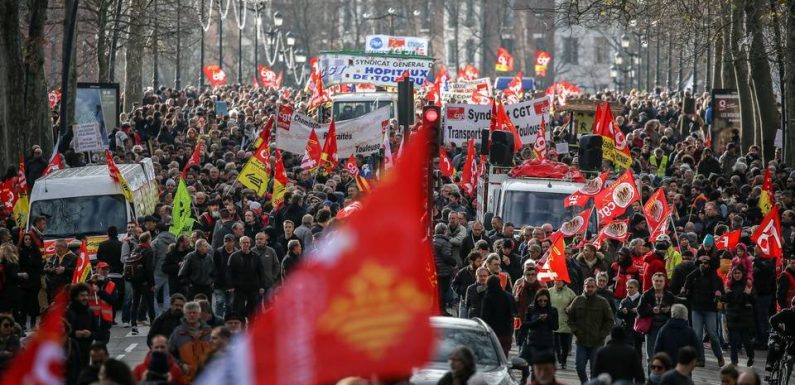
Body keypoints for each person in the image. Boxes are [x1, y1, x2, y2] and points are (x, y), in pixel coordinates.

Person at [566, 277, 614, 384]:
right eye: (588, 286)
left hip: (597, 342)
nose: (590, 289)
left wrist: (602, 334)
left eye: (592, 287)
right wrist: (576, 331)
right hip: (581, 341)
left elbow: (610, 321)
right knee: (579, 367)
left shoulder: (602, 302)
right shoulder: (578, 300)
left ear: (595, 287)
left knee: (594, 369)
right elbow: (569, 318)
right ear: (584, 287)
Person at [683, 254, 726, 367]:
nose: (703, 264)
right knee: (697, 336)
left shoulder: (715, 278)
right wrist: (685, 291)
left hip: (710, 309)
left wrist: (719, 294)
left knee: (713, 335)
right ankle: (700, 359)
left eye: (706, 262)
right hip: (696, 309)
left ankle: (719, 356)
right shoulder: (692, 276)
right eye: (701, 262)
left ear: (710, 264)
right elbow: (686, 291)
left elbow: (722, 294)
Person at [518, 289, 558, 383]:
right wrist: (538, 320)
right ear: (536, 300)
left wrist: (548, 318)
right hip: (534, 342)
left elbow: (556, 327)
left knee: (546, 369)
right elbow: (527, 324)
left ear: (548, 300)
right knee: (535, 368)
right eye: (540, 301)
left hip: (547, 343)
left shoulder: (553, 310)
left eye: (545, 301)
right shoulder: (531, 309)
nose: (543, 303)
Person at [168, 301, 212, 383]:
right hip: (186, 378)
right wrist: (181, 366)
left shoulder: (209, 332)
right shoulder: (177, 333)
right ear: (185, 315)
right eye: (189, 313)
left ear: (199, 314)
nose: (192, 315)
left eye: (194, 313)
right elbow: (169, 354)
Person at [638, 272, 676, 365]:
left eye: (661, 281)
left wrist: (668, 311)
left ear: (664, 282)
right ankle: (651, 373)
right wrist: (651, 311)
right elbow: (640, 311)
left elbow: (675, 312)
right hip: (651, 327)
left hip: (665, 327)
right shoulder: (646, 295)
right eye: (656, 281)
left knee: (664, 354)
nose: (658, 283)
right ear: (652, 281)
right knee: (651, 355)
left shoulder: (669, 295)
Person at [723, 265, 755, 366]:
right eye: (735, 273)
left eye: (738, 273)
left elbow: (754, 300)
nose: (737, 275)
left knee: (746, 340)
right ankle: (734, 361)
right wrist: (726, 294)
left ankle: (750, 356)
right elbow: (726, 300)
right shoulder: (729, 285)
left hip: (744, 316)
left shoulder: (748, 284)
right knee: (734, 340)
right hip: (733, 315)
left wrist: (749, 294)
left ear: (742, 274)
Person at [227, 236, 265, 318]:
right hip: (239, 287)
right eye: (244, 243)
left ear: (250, 244)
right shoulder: (234, 256)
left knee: (252, 310)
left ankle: (251, 324)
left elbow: (261, 272)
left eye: (247, 242)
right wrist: (231, 285)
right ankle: (241, 323)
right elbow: (229, 272)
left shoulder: (255, 257)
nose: (246, 244)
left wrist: (261, 286)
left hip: (253, 287)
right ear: (240, 244)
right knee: (238, 309)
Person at [480, 275, 516, 357]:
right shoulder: (508, 296)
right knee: (504, 355)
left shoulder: (488, 297)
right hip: (506, 332)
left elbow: (485, 316)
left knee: (493, 356)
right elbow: (514, 312)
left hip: (492, 332)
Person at [129, 231, 156, 336]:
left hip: (135, 281)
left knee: (135, 303)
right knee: (150, 304)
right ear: (148, 240)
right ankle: (153, 325)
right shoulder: (148, 251)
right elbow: (149, 269)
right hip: (145, 282)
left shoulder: (135, 249)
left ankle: (133, 325)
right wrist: (152, 284)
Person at [67, 283, 97, 369]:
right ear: (75, 297)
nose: (85, 298)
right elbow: (61, 333)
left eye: (87, 295)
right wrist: (74, 334)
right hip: (70, 353)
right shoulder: (68, 312)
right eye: (82, 295)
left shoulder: (90, 312)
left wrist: (90, 334)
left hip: (86, 351)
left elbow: (96, 331)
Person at [16, 233, 42, 330]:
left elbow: (39, 265)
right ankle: (22, 323)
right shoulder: (20, 252)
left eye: (29, 239)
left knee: (33, 302)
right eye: (26, 239)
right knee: (23, 303)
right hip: (24, 281)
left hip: (34, 281)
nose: (27, 241)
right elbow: (18, 266)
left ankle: (33, 322)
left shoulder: (36, 251)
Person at [88, 262, 119, 343]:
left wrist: (99, 292)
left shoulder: (111, 284)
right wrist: (90, 282)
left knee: (102, 343)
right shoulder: (90, 283)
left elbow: (113, 300)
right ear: (97, 270)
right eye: (103, 269)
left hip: (105, 319)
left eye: (107, 269)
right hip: (92, 317)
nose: (105, 271)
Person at [549, 279, 576, 369]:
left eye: (560, 280)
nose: (558, 282)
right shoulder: (549, 291)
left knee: (565, 345)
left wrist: (570, 308)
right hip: (553, 322)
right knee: (555, 344)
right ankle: (558, 359)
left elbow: (575, 305)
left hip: (565, 321)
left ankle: (564, 361)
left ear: (564, 281)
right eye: (556, 280)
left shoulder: (570, 293)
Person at [433, 223, 457, 315]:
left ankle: (438, 309)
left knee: (438, 291)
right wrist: (454, 263)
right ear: (444, 231)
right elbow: (446, 256)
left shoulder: (433, 240)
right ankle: (442, 311)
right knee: (442, 291)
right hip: (443, 271)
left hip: (435, 269)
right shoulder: (445, 242)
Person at [617, 279, 644, 355]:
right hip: (627, 329)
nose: (628, 289)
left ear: (637, 288)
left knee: (637, 351)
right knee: (626, 351)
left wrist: (638, 310)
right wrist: (622, 311)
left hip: (638, 329)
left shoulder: (642, 299)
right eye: (627, 287)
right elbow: (618, 314)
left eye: (631, 287)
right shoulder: (624, 301)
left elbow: (648, 312)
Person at [452, 252, 483, 318]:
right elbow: (454, 284)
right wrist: (462, 290)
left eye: (481, 261)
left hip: (478, 302)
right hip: (464, 301)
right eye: (478, 261)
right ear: (471, 261)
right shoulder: (463, 272)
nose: (480, 263)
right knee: (464, 320)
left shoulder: (483, 272)